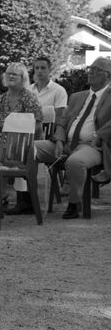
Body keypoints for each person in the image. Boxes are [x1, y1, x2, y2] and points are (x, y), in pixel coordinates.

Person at [35, 57, 111, 219]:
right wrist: (60, 140)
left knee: (76, 161)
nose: (91, 73)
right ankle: (28, 199)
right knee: (30, 147)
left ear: (108, 76)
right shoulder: (77, 96)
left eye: (97, 70)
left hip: (91, 145)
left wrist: (100, 135)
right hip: (67, 143)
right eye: (91, 69)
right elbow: (62, 122)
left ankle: (75, 203)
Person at [0, 62, 43, 215]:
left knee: (0, 149)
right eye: (8, 73)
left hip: (24, 144)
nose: (11, 76)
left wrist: (25, 141)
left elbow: (38, 125)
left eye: (15, 74)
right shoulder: (2, 98)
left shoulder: (29, 97)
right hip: (4, 139)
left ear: (23, 78)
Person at [30, 56, 67, 120]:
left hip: (48, 128)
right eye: (37, 68)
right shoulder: (28, 89)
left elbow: (59, 117)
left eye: (43, 68)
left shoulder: (59, 90)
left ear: (50, 70)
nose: (39, 71)